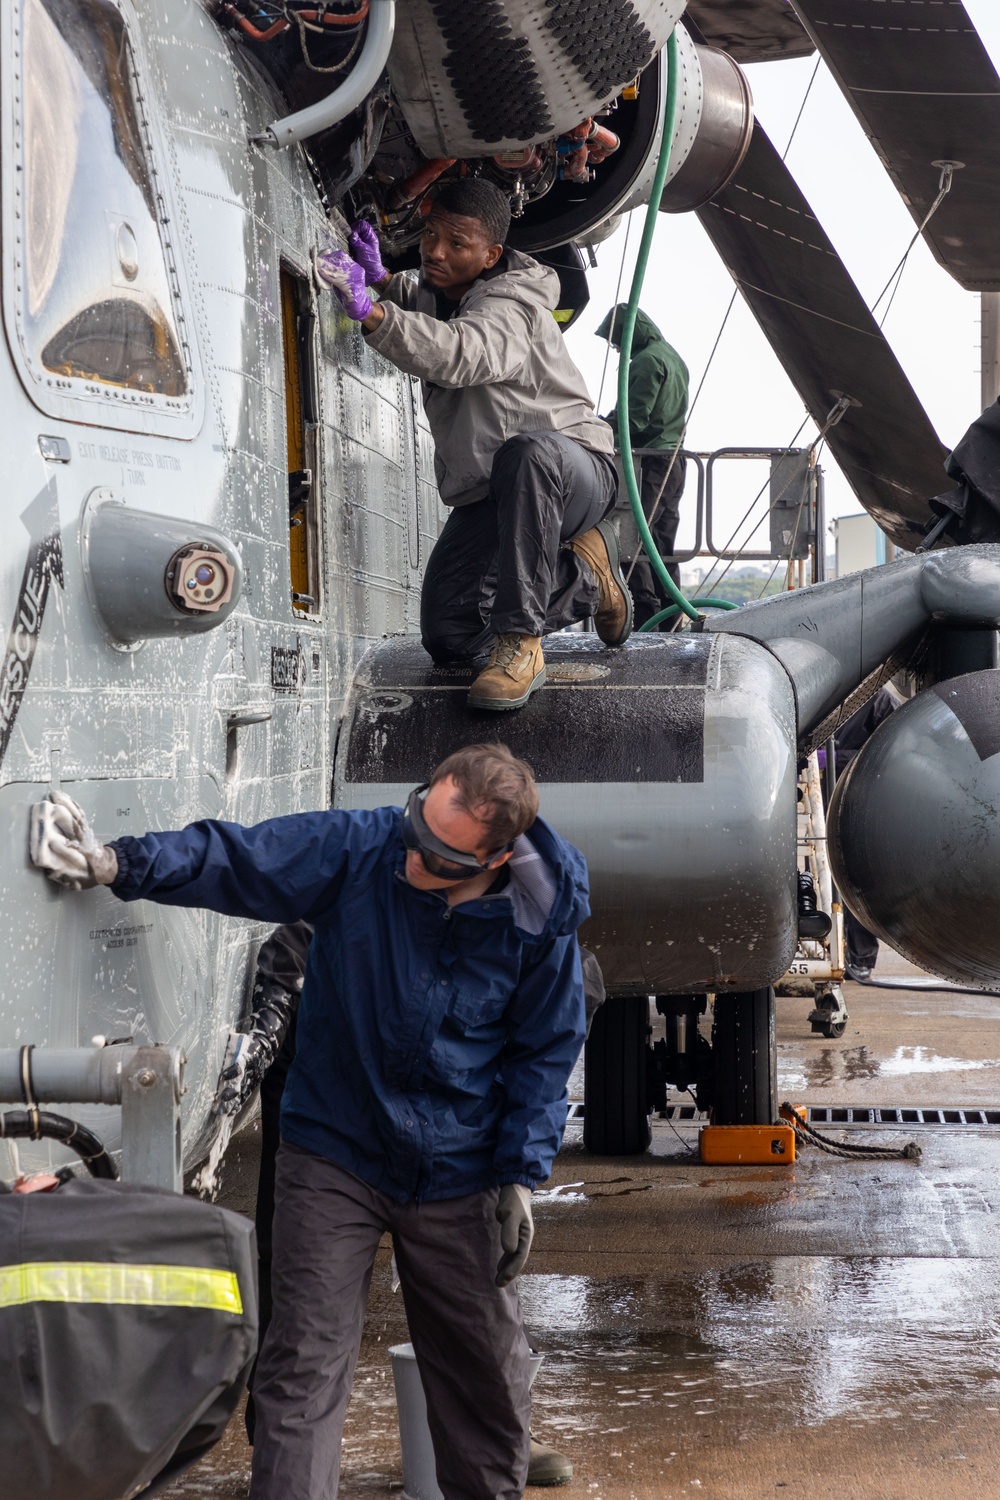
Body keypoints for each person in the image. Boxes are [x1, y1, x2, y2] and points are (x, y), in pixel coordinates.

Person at [29, 743, 589, 1500]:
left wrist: (521, 1174)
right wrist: (117, 864)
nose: (410, 854)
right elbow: (243, 858)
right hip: (338, 1151)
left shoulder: (540, 923)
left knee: (484, 1378)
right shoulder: (365, 851)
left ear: (492, 859)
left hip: (463, 1165)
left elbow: (543, 1052)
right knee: (302, 1368)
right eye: (415, 824)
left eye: (434, 852)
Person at [242, 918, 606, 1488]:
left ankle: (500, 1427)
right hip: (333, 1105)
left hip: (450, 1138)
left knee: (481, 1325)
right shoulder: (397, 866)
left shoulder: (546, 949)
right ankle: (280, 1441)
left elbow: (543, 1069)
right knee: (304, 1322)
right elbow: (299, 926)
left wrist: (520, 1175)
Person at [316, 178, 632, 711]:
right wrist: (386, 281)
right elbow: (437, 311)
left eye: (456, 245)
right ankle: (587, 579)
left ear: (491, 256)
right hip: (497, 488)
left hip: (574, 471)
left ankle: (521, 646)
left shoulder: (515, 304)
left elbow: (465, 351)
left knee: (527, 453)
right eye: (431, 235)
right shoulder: (453, 290)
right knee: (449, 635)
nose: (436, 252)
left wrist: (372, 312)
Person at [596, 305, 689, 628]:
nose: (616, 348)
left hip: (650, 463)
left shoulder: (647, 361)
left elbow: (633, 418)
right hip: (674, 461)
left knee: (634, 539)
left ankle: (645, 615)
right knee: (662, 543)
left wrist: (594, 428)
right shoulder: (671, 356)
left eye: (616, 340)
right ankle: (672, 614)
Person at [827, 687, 899, 981]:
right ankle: (833, 952)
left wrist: (833, 759)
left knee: (855, 879)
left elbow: (890, 750)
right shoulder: (824, 696)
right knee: (820, 881)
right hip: (818, 797)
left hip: (858, 802)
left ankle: (862, 959)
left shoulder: (879, 700)